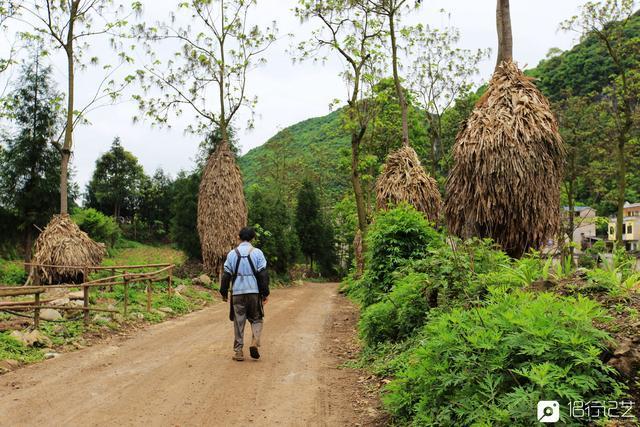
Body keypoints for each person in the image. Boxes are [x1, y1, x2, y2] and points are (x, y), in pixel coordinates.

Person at [220, 227, 270, 361]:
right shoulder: (257, 253)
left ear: (239, 237)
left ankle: (238, 352)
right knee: (257, 318)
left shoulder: (232, 254)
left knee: (239, 321)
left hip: (237, 292)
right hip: (254, 292)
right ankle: (254, 341)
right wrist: (265, 293)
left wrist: (224, 293)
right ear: (253, 238)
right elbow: (263, 275)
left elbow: (226, 276)